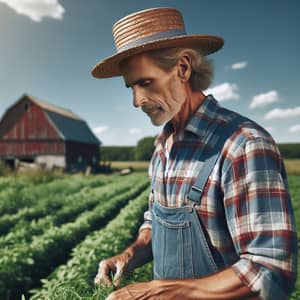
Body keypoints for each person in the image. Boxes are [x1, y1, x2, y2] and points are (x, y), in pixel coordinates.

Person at [92, 7, 297, 300]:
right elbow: (155, 222)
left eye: (145, 82)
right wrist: (130, 254)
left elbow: (270, 271)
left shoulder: (243, 146)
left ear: (183, 68)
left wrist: (163, 291)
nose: (137, 101)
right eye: (131, 87)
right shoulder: (162, 148)